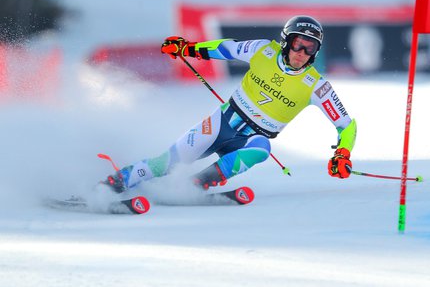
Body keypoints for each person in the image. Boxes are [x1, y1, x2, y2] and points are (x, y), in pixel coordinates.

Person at [103, 15, 357, 193]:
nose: (302, 52)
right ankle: (115, 183)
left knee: (262, 148)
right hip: (221, 123)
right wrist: (188, 49)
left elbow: (347, 125)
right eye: (298, 43)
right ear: (285, 41)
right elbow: (225, 49)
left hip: (252, 139)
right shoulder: (262, 51)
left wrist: (342, 153)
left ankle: (195, 185)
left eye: (310, 48)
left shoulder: (316, 85)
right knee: (164, 164)